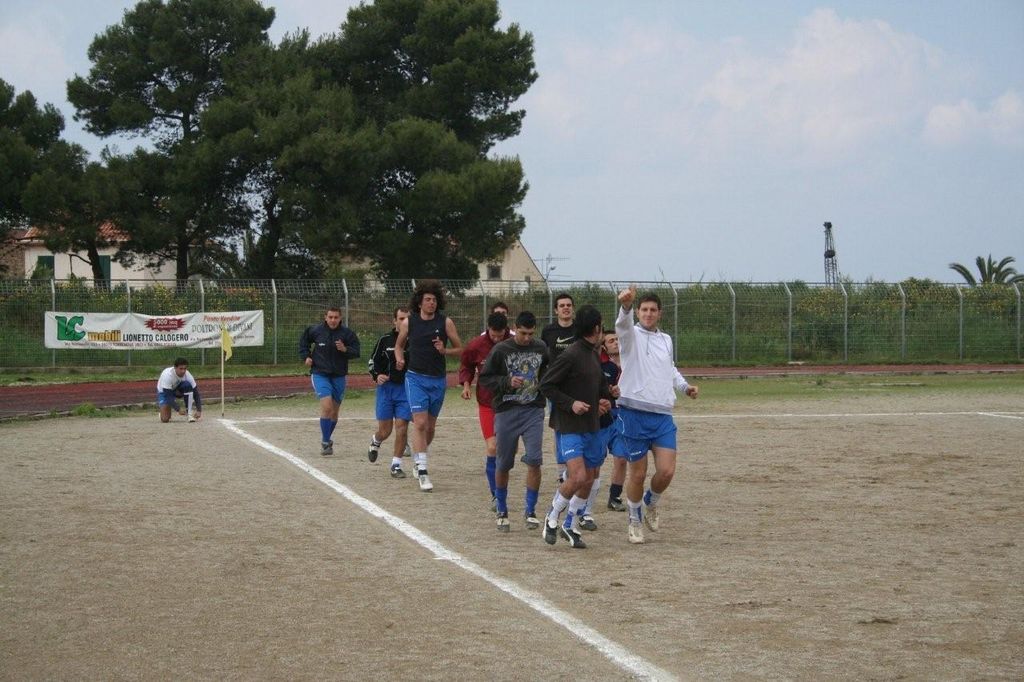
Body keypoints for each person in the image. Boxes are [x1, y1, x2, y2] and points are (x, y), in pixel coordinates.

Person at [614, 286, 698, 545]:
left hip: (662, 415)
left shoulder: (666, 340)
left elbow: (670, 369)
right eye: (644, 309)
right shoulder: (630, 335)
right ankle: (634, 520)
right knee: (638, 475)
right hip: (633, 413)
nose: (648, 314)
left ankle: (651, 501)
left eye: (653, 310)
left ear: (660, 313)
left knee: (667, 471)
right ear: (638, 312)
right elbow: (622, 325)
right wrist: (625, 306)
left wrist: (685, 387)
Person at [539, 304, 616, 549]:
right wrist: (571, 404)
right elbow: (546, 385)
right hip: (570, 425)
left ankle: (569, 523)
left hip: (592, 425)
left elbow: (597, 387)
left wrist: (606, 397)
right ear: (597, 328)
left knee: (589, 478)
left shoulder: (593, 353)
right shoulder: (571, 354)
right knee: (579, 476)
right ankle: (552, 515)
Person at [479, 311, 549, 532]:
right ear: (514, 328)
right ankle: (501, 508)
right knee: (503, 463)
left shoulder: (541, 348)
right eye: (522, 333)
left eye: (530, 334)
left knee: (535, 460)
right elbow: (485, 378)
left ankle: (530, 510)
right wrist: (507, 381)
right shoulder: (501, 350)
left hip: (533, 410)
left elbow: (550, 371)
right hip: (506, 411)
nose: (527, 338)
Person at [394, 279, 464, 491]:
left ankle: (418, 457)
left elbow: (460, 349)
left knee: (430, 428)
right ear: (420, 302)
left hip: (438, 380)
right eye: (427, 299)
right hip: (415, 378)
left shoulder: (445, 322)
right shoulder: (409, 322)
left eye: (434, 299)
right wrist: (399, 358)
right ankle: (423, 471)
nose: (431, 303)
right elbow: (399, 346)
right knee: (420, 423)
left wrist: (445, 350)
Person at [459, 311, 510, 507]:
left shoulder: (515, 342)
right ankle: (496, 494)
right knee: (492, 447)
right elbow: (466, 365)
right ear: (488, 329)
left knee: (506, 450)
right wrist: (466, 385)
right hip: (487, 403)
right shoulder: (476, 345)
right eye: (493, 335)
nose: (497, 339)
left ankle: (500, 481)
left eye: (500, 335)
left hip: (510, 403)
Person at [577, 328, 624, 531]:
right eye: (610, 340)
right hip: (592, 423)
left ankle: (592, 510)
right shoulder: (583, 363)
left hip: (614, 420)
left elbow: (610, 393)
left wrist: (612, 394)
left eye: (617, 339)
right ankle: (580, 509)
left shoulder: (615, 367)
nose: (615, 343)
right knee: (591, 469)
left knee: (619, 459)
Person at [299, 306, 360, 456]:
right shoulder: (315, 330)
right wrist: (306, 356)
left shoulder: (347, 334)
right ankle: (325, 443)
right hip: (320, 373)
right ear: (325, 317)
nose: (333, 320)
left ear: (340, 318)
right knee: (327, 407)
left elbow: (356, 352)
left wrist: (345, 350)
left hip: (339, 375)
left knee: (334, 412)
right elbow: (304, 342)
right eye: (330, 317)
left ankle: (327, 438)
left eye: (336, 317)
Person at [368, 307, 413, 478]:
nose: (404, 322)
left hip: (406, 390)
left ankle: (396, 465)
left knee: (402, 428)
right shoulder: (385, 340)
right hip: (386, 390)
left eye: (407, 319)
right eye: (401, 318)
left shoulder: (415, 341)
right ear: (394, 321)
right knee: (385, 431)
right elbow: (372, 362)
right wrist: (377, 375)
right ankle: (376, 440)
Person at [541, 292, 575, 483]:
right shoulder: (548, 331)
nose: (565, 308)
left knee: (578, 427)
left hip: (577, 385)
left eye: (568, 305)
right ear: (556, 310)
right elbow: (543, 358)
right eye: (562, 305)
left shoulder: (579, 329)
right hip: (556, 387)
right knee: (559, 427)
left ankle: (575, 465)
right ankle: (562, 471)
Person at [157, 357, 202, 423]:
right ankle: (163, 412)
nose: (183, 371)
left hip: (177, 390)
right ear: (175, 367)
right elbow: (168, 396)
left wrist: (199, 410)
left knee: (187, 385)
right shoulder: (167, 376)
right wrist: (178, 409)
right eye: (181, 368)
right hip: (165, 392)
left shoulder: (187, 374)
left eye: (185, 368)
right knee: (165, 419)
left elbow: (196, 393)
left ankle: (189, 413)